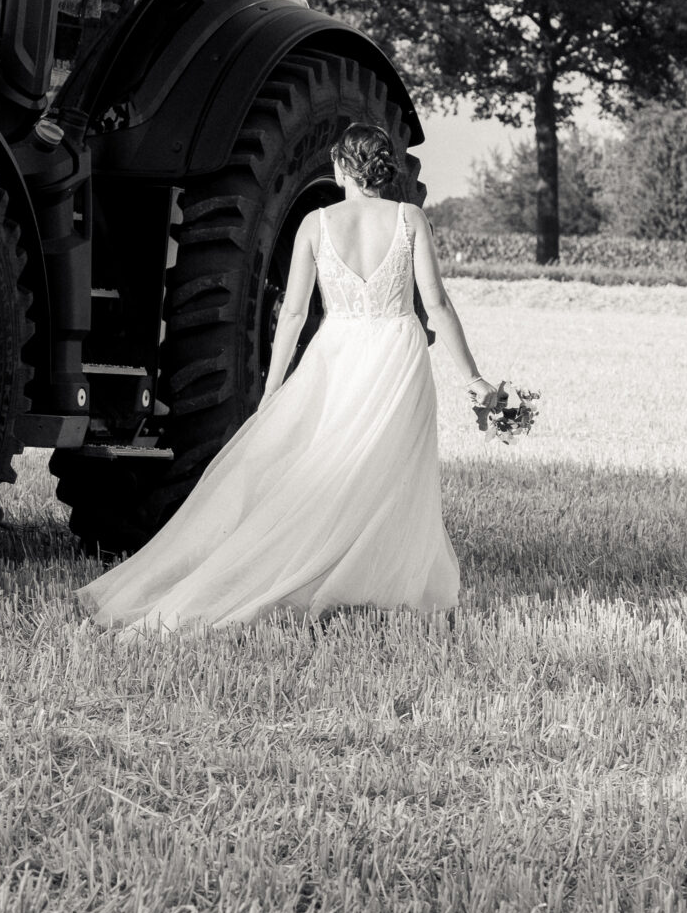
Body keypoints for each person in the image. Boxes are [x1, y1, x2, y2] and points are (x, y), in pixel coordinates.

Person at [78, 124, 500, 633]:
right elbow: (435, 304)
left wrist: (274, 388)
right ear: (384, 169)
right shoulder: (409, 218)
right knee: (390, 473)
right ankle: (376, 583)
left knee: (327, 465)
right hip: (398, 353)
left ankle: (322, 574)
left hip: (338, 354)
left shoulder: (316, 225)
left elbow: (294, 314)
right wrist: (473, 377)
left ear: (342, 167)